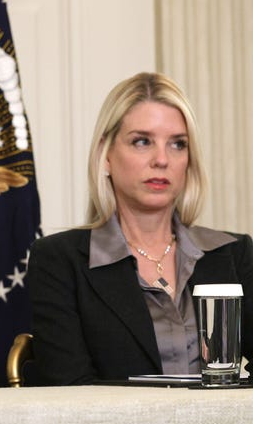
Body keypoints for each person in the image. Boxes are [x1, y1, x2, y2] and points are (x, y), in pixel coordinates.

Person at [27, 71, 253, 385]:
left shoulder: (232, 254)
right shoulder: (59, 260)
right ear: (106, 154)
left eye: (177, 144)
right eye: (142, 141)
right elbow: (71, 394)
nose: (161, 159)